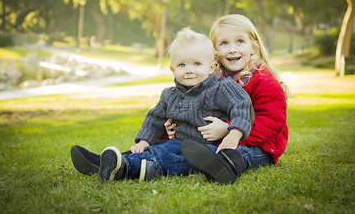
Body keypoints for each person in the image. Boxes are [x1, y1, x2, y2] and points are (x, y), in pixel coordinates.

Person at [71, 27, 253, 183]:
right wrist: (143, 141)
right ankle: (112, 163)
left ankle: (127, 167)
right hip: (178, 142)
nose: (189, 70)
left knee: (174, 159)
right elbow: (154, 118)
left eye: (197, 64)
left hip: (208, 149)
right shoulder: (170, 95)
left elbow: (242, 106)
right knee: (155, 149)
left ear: (211, 67)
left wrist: (234, 134)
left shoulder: (222, 88)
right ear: (172, 69)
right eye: (182, 65)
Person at [176, 14, 289, 184]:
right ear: (213, 51)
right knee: (192, 147)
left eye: (240, 41)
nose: (232, 49)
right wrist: (172, 128)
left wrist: (230, 130)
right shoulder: (213, 80)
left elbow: (272, 120)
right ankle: (145, 158)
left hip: (261, 145)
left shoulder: (262, 80)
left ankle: (225, 167)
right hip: (223, 140)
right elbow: (195, 111)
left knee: (242, 152)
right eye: (224, 43)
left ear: (254, 47)